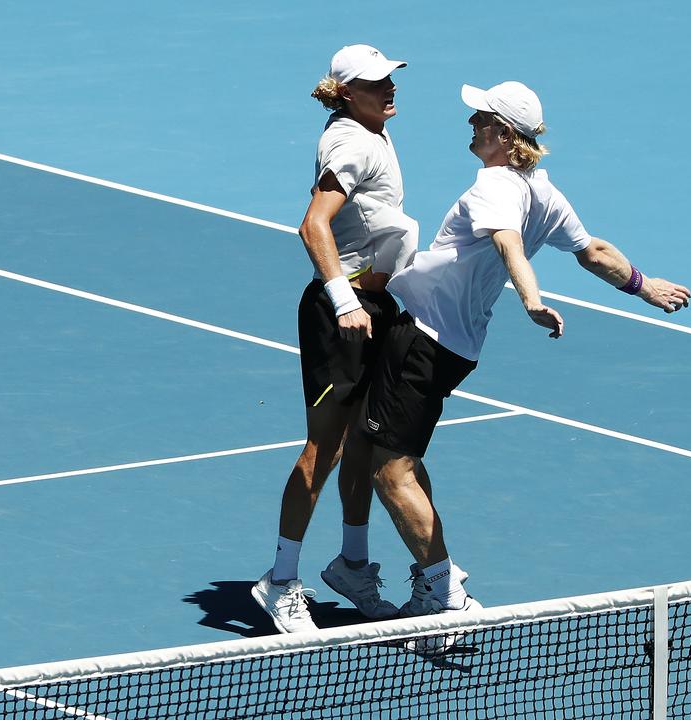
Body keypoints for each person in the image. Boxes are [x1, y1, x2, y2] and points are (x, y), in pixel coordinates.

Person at [360, 81, 691, 628]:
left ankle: (444, 595)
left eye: (480, 118)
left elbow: (507, 243)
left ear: (503, 134)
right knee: (406, 458)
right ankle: (431, 579)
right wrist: (643, 284)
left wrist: (532, 300)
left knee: (389, 472)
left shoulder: (495, 184)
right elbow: (595, 252)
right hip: (457, 348)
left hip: (422, 337)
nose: (471, 125)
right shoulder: (545, 191)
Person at [252, 44, 420, 633]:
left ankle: (352, 565)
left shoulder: (368, 128)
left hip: (373, 305)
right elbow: (313, 223)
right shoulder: (351, 142)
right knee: (323, 449)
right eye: (375, 83)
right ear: (347, 91)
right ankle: (279, 579)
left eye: (390, 78)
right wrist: (345, 300)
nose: (389, 87)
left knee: (364, 445)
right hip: (342, 312)